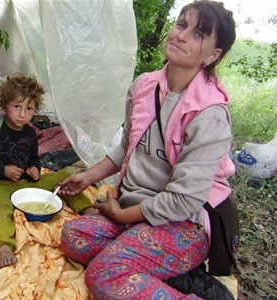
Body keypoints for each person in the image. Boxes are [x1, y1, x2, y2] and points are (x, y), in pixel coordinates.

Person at [58, 1, 238, 299]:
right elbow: (128, 147)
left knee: (103, 275)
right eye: (181, 25)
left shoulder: (210, 115)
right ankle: (172, 274)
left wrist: (121, 215)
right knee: (74, 237)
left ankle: (184, 286)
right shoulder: (144, 86)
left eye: (198, 34)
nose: (182, 35)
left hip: (182, 224)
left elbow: (182, 201)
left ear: (213, 55)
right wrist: (88, 177)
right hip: (135, 211)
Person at [0, 73, 96, 268]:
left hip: (27, 182)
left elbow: (33, 158)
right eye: (16, 106)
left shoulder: (30, 133)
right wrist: (2, 170)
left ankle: (87, 209)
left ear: (35, 111)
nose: (22, 114)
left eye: (29, 109)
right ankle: (3, 245)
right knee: (2, 207)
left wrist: (34, 168)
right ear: (4, 105)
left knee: (65, 177)